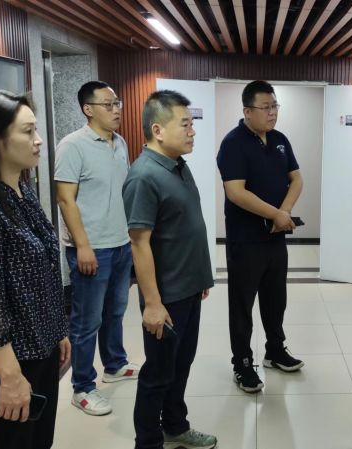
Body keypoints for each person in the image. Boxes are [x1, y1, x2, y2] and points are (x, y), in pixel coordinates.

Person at [0, 90, 70, 449]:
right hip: (14, 360)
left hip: (43, 349)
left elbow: (44, 271)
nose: (38, 140)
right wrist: (9, 375)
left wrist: (58, 330)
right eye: (28, 132)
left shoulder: (23, 191)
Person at [123, 90, 217, 449]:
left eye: (192, 124)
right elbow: (139, 243)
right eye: (185, 124)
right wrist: (152, 304)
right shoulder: (143, 176)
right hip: (165, 298)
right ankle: (148, 442)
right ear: (158, 130)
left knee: (180, 366)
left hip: (187, 288)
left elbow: (183, 227)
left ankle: (175, 426)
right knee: (158, 374)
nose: (192, 131)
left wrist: (199, 277)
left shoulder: (178, 165)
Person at [216, 80, 305, 393]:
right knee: (242, 306)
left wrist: (285, 212)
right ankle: (242, 363)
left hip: (275, 239)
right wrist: (275, 214)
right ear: (247, 111)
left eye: (275, 106)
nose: (272, 113)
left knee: (275, 300)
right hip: (246, 241)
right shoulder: (233, 143)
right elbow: (236, 192)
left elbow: (297, 179)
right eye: (266, 107)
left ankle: (275, 351)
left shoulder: (280, 140)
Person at [55, 81, 138, 416]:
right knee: (86, 321)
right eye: (108, 104)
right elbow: (65, 199)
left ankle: (114, 364)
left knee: (115, 311)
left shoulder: (120, 142)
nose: (116, 110)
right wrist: (83, 246)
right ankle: (82, 387)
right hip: (91, 249)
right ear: (88, 109)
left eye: (117, 103)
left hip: (120, 243)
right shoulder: (72, 145)